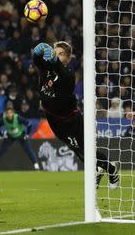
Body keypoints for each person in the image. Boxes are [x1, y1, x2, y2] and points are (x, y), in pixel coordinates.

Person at [32, 41, 119, 188]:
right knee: (78, 150)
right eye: (54, 52)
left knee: (84, 150)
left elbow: (62, 72)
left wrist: (54, 61)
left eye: (60, 54)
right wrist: (36, 53)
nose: (56, 55)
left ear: (68, 59)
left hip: (70, 120)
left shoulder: (68, 74)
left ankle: (111, 169)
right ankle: (99, 169)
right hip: (53, 119)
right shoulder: (46, 69)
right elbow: (38, 62)